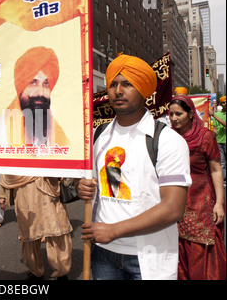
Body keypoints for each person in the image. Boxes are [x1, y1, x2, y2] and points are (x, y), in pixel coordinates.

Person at [77, 54, 192, 280]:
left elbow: (173, 208)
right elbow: (91, 184)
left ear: (144, 90)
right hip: (103, 254)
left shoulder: (168, 140)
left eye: (127, 83)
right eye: (113, 84)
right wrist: (82, 186)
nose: (118, 91)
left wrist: (114, 230)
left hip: (148, 256)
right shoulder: (97, 135)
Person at [169, 95, 226, 280]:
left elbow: (216, 170)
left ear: (191, 114)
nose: (174, 118)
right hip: (175, 198)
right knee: (178, 245)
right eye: (171, 114)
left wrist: (219, 203)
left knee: (201, 247)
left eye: (179, 114)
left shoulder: (206, 137)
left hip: (201, 198)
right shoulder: (168, 137)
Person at [0, 175, 72, 280]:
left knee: (56, 229)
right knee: (29, 232)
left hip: (49, 186)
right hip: (23, 191)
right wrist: (2, 193)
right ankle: (35, 271)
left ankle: (61, 272)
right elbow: (6, 164)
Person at [3, 46, 69, 146]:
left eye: (46, 84)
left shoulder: (57, 135)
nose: (41, 92)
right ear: (20, 87)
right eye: (33, 83)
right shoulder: (0, 130)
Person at [210, 96, 226, 184]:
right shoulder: (217, 115)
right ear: (221, 104)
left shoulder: (216, 116)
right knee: (222, 162)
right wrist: (212, 139)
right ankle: (224, 180)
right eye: (223, 102)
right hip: (219, 141)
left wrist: (214, 116)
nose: (225, 104)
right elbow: (215, 128)